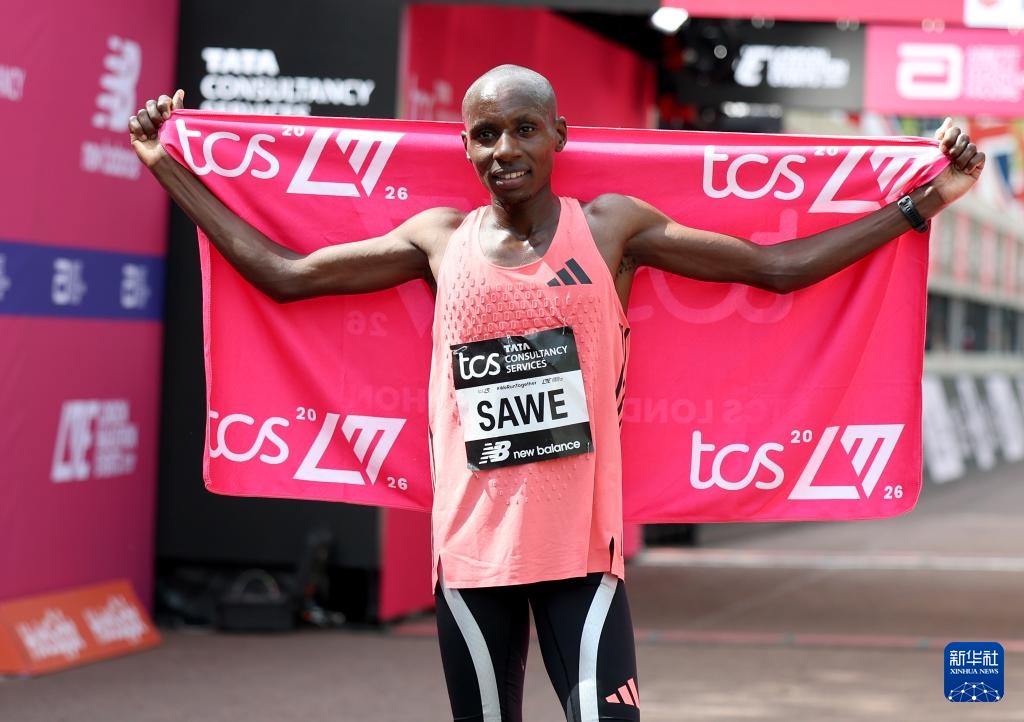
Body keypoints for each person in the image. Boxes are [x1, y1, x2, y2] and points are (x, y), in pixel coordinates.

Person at [129, 64, 984, 722]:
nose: (504, 150)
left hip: (582, 555)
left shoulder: (610, 227)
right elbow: (283, 275)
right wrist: (168, 165)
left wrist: (922, 204)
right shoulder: (437, 239)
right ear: (466, 147)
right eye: (485, 134)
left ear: (558, 135)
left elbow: (776, 268)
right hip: (473, 557)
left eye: (524, 129)